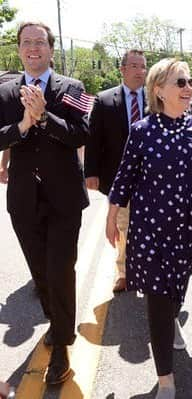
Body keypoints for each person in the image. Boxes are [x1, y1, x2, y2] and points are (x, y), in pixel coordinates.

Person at [105, 59, 192, 399]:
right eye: (180, 82)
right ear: (158, 90)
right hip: (150, 232)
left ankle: (173, 316)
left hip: (190, 229)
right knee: (158, 302)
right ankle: (166, 379)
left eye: (190, 81)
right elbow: (125, 176)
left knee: (176, 289)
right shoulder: (142, 130)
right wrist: (111, 214)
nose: (188, 87)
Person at [0, 22, 90, 384]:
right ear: (19, 50)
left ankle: (63, 346)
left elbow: (81, 133)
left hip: (64, 200)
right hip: (24, 201)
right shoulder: (5, 93)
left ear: (51, 49)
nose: (33, 48)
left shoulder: (73, 89)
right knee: (41, 276)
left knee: (59, 271)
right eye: (26, 43)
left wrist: (45, 117)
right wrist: (23, 124)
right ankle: (57, 321)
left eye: (40, 42)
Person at [84, 49, 147, 293]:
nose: (140, 71)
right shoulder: (105, 100)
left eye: (143, 66)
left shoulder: (157, 98)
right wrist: (91, 172)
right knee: (123, 225)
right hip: (118, 175)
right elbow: (94, 139)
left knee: (149, 225)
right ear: (122, 70)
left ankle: (149, 268)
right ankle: (124, 272)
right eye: (134, 66)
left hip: (152, 176)